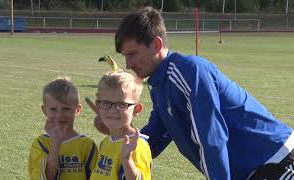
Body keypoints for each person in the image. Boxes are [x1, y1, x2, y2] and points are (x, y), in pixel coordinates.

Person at [90, 6, 294, 180]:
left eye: (133, 54)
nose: (128, 64)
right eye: (125, 56)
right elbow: (154, 138)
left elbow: (212, 138)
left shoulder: (188, 71)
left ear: (156, 44)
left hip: (276, 159)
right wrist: (118, 131)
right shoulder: (160, 85)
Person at [28, 77, 98, 180]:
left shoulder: (87, 145)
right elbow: (47, 177)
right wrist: (56, 142)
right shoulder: (41, 143)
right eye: (53, 109)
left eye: (66, 109)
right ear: (44, 110)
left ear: (77, 110)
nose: (59, 115)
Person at [89, 70, 152, 180]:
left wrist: (127, 159)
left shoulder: (136, 145)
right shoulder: (106, 142)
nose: (113, 111)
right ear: (98, 106)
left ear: (136, 109)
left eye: (121, 104)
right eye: (106, 103)